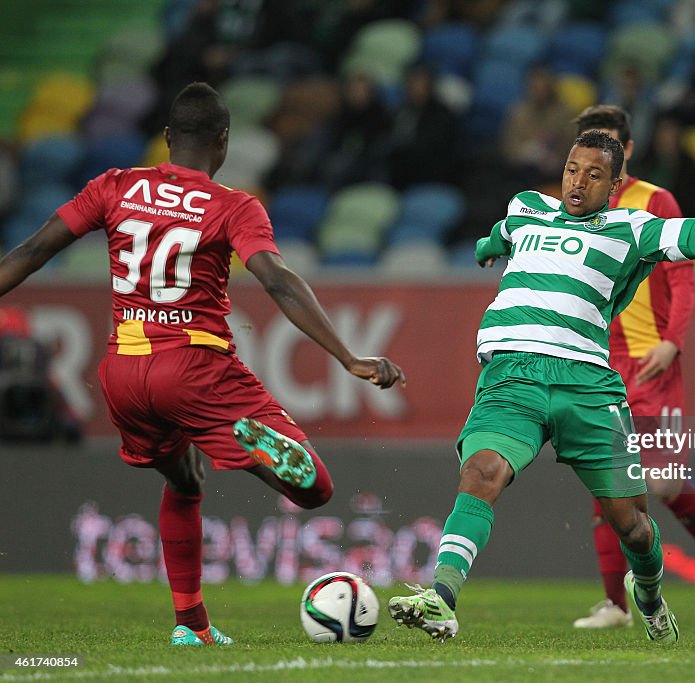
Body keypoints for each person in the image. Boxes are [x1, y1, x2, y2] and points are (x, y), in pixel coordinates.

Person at [0, 82, 405, 646]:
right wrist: (347, 356)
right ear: (223, 142)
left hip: (123, 370)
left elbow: (30, 252)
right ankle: (247, 438)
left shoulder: (114, 186)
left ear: (166, 138)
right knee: (315, 490)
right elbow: (277, 280)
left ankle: (191, 627)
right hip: (195, 367)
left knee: (185, 480)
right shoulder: (232, 205)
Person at [387, 129, 695, 643]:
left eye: (595, 174)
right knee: (482, 470)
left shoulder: (633, 229)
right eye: (573, 170)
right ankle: (440, 597)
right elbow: (500, 233)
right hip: (512, 375)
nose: (579, 182)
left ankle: (648, 594)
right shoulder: (527, 206)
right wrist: (488, 246)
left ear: (615, 182)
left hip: (589, 388)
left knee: (633, 527)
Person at [569, 105, 695, 630]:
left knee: (661, 481)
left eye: (611, 148)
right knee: (607, 483)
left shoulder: (653, 200)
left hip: (649, 360)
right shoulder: (573, 210)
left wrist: (672, 342)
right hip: (600, 363)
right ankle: (615, 605)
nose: (597, 163)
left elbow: (683, 275)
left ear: (629, 151)